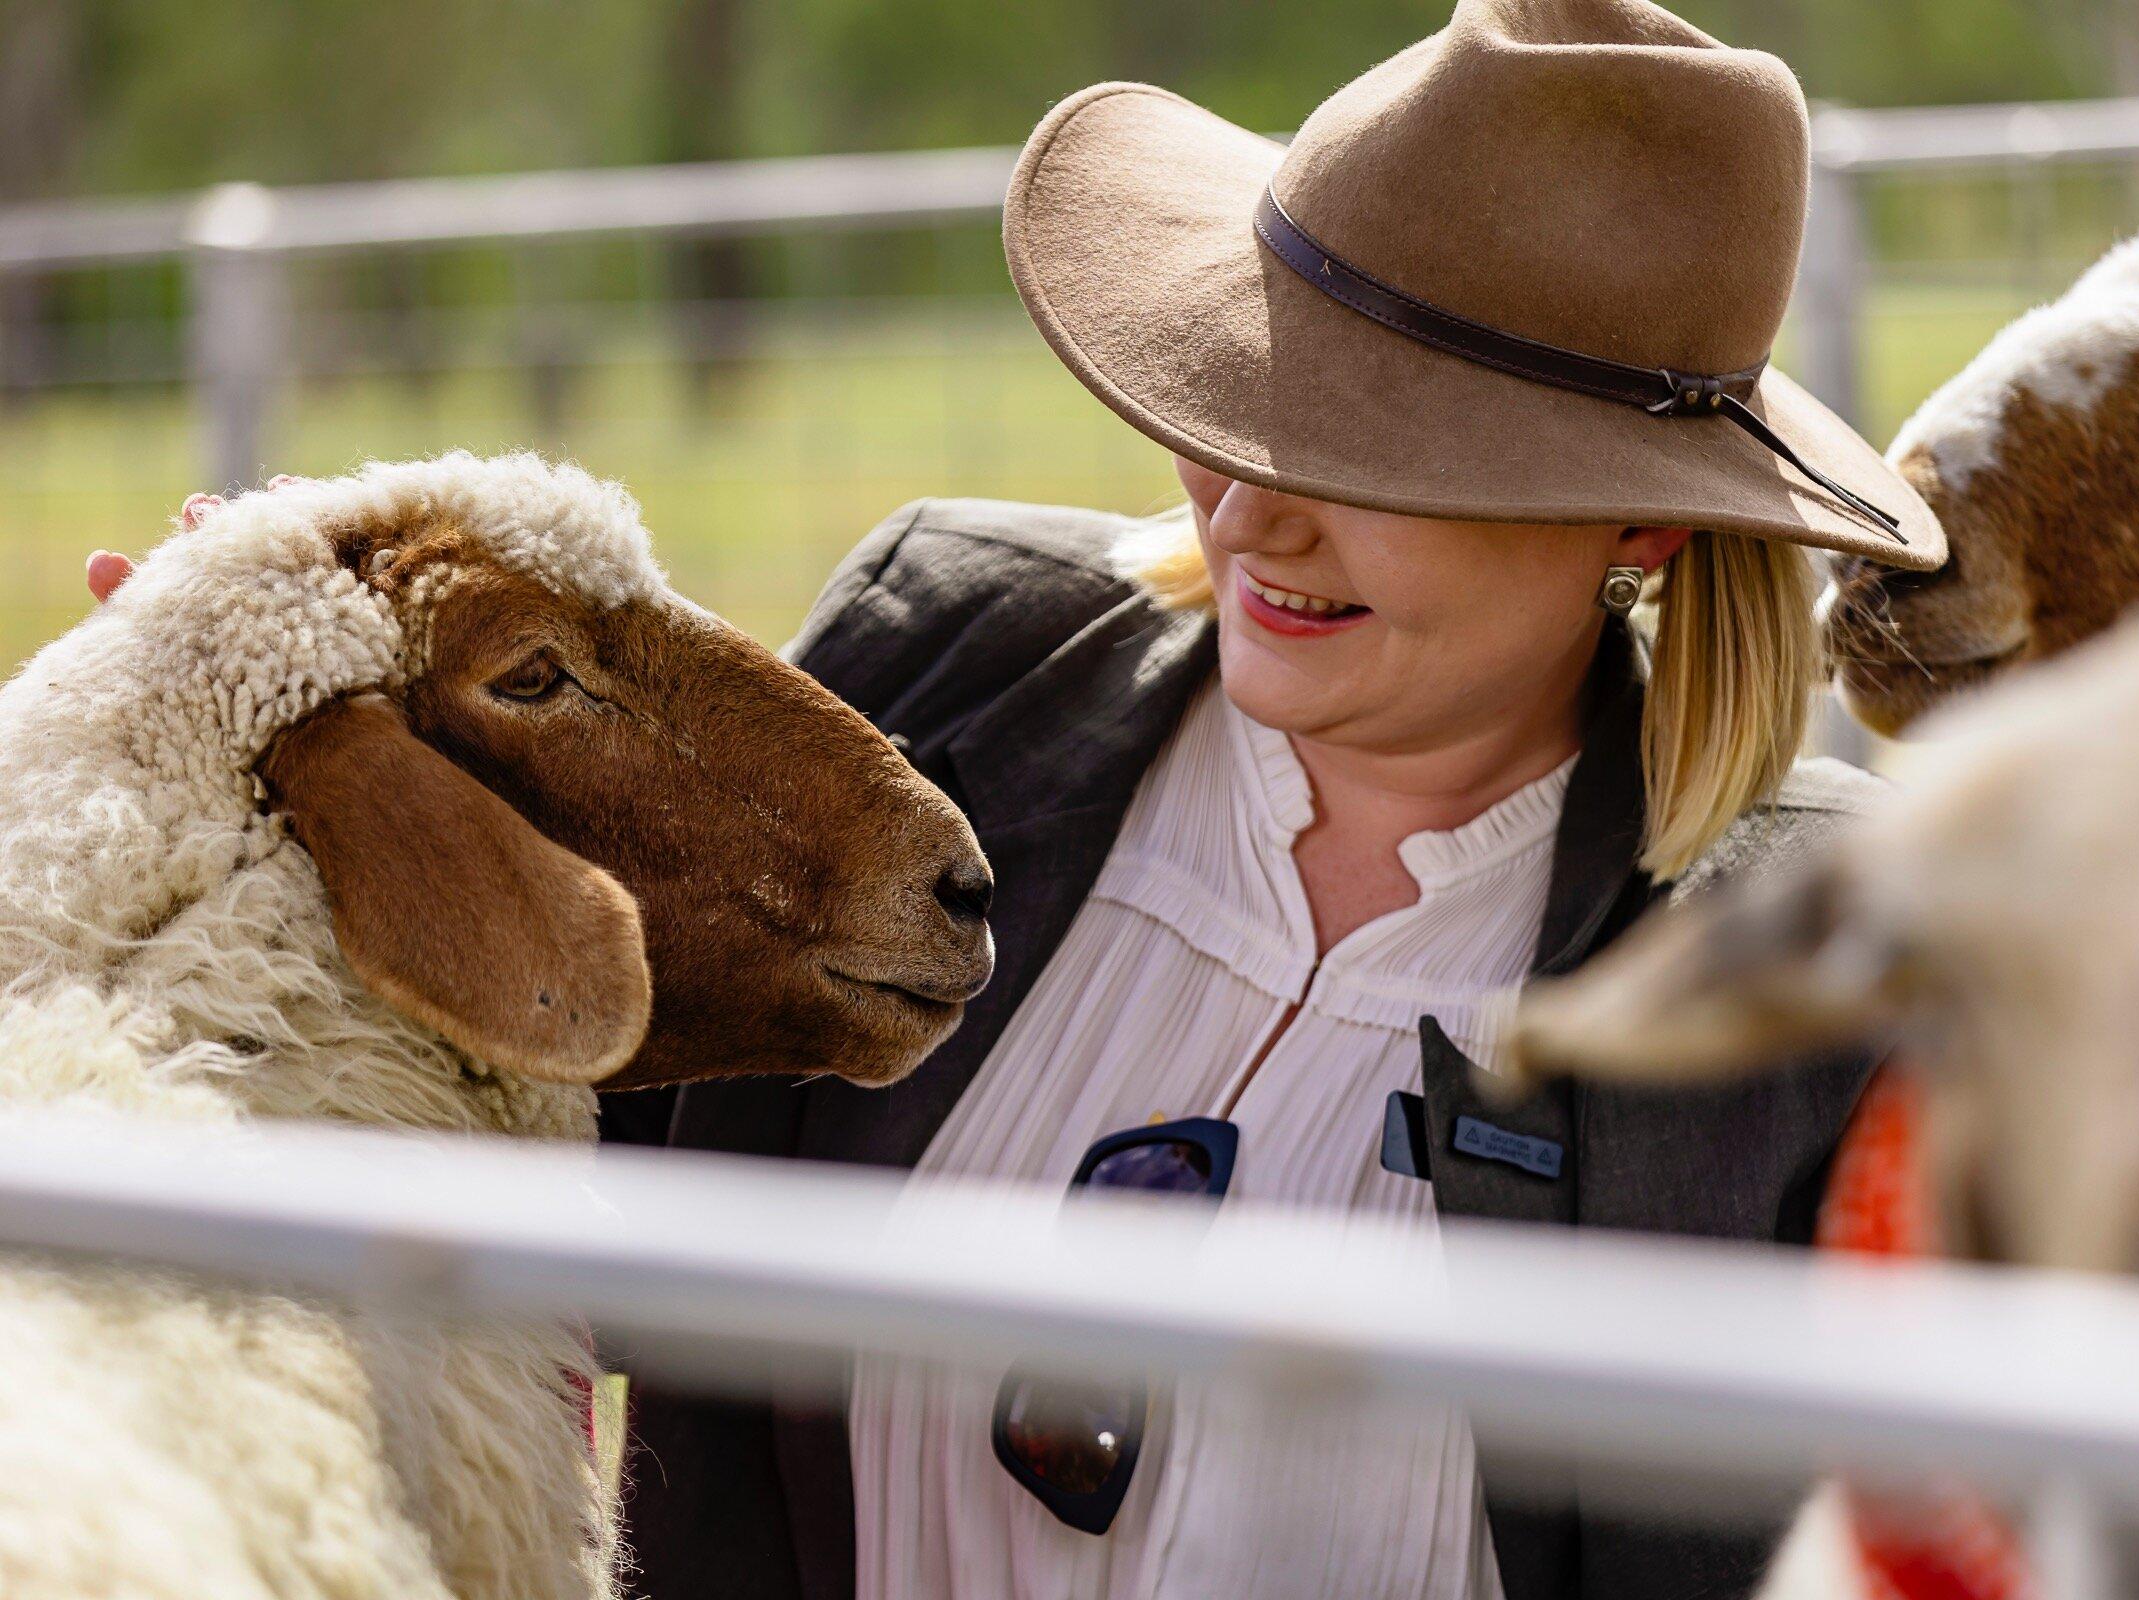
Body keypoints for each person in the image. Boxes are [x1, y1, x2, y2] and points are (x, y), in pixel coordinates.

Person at [92, 3, 1943, 1595]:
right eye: (1249, 403)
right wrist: (261, 793)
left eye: (1394, 458)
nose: (1255, 513)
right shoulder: (950, 671)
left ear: (1640, 518)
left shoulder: (1822, 1001)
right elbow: (552, 1114)